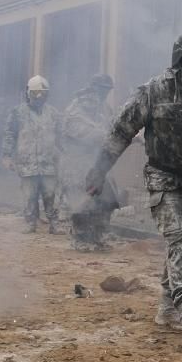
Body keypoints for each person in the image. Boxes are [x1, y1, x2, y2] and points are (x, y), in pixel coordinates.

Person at [85, 33, 182, 343]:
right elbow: (121, 130)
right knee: (181, 238)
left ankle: (167, 308)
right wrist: (99, 170)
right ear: (180, 59)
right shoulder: (154, 91)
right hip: (164, 178)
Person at [62, 73, 118, 251]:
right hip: (78, 163)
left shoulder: (104, 108)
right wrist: (114, 137)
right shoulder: (76, 108)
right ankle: (80, 238)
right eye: (102, 89)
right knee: (82, 203)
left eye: (107, 90)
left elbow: (114, 125)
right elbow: (86, 133)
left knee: (106, 200)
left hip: (99, 164)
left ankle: (97, 236)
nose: (104, 94)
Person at [4, 76, 62, 233]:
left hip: (48, 162)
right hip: (26, 162)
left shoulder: (54, 114)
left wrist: (64, 155)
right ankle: (31, 223)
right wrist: (7, 156)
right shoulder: (17, 112)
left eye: (43, 93)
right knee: (29, 195)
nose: (39, 96)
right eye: (35, 92)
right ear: (28, 93)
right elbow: (9, 134)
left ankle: (54, 224)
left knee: (51, 195)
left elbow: (60, 137)